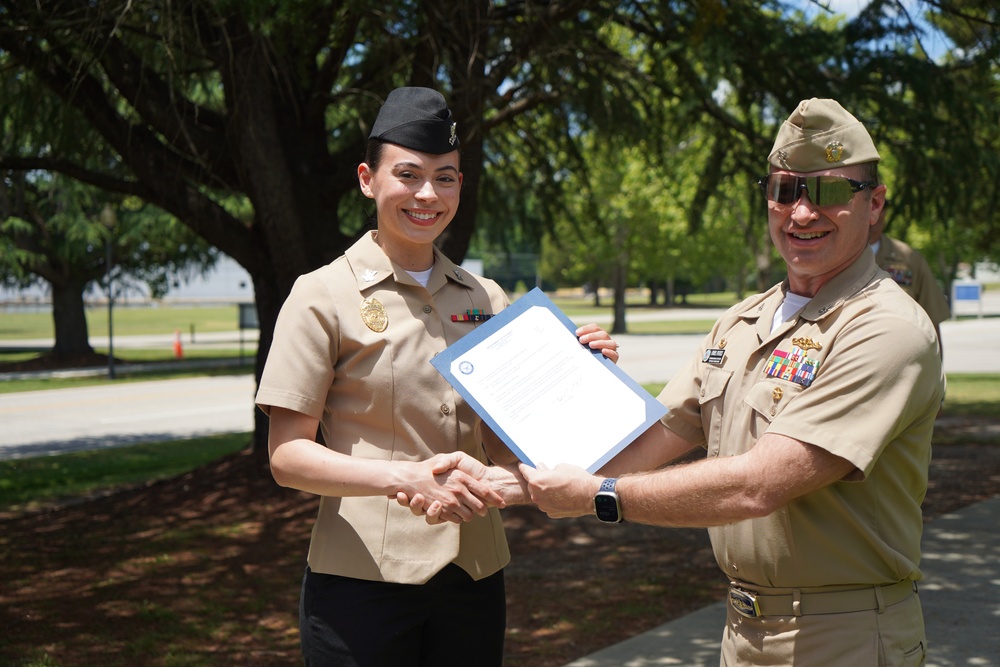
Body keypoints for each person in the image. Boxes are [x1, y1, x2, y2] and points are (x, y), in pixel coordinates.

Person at [447, 99, 944, 666]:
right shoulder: (740, 321)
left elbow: (759, 484)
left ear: (874, 204)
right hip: (743, 631)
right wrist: (507, 479)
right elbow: (638, 444)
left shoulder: (885, 327)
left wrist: (600, 500)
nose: (802, 213)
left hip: (845, 637)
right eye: (784, 191)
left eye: (829, 192)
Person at [254, 86, 618, 667]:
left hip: (473, 574)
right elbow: (288, 457)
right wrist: (406, 478)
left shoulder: (488, 299)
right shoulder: (321, 294)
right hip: (362, 580)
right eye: (408, 174)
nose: (428, 194)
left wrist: (583, 376)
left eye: (445, 177)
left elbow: (507, 446)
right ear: (368, 180)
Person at [870, 203, 950, 350]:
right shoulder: (831, 257)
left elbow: (932, 319)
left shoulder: (909, 259)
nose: (874, 212)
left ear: (884, 212)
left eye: (879, 206)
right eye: (868, 204)